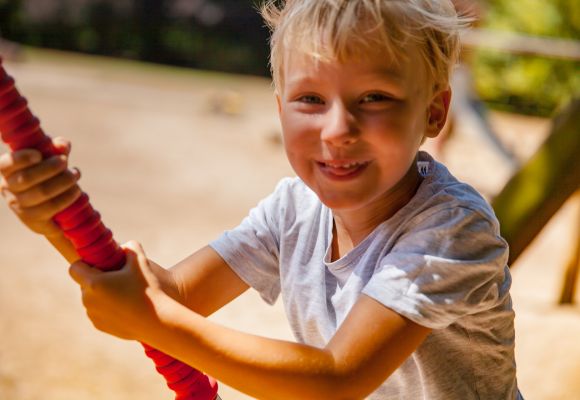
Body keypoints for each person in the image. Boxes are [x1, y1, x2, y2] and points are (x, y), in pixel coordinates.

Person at [0, 1, 523, 398]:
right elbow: (169, 296)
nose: (338, 129)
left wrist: (152, 318)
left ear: (435, 112)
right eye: (311, 99)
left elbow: (339, 379)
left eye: (375, 98)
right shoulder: (295, 209)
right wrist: (57, 225)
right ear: (280, 108)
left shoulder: (452, 229)